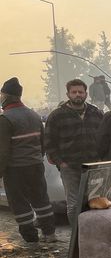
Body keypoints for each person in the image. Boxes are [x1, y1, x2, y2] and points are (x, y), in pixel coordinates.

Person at [0, 77, 57, 243]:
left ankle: (30, 237)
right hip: (35, 165)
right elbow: (43, 143)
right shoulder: (34, 115)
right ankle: (49, 233)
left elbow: (3, 151)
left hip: (15, 168)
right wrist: (36, 158)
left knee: (19, 202)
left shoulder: (5, 119)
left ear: (7, 96)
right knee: (41, 199)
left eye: (1, 94)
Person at [45, 79, 104, 226]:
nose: (78, 95)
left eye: (80, 92)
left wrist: (101, 158)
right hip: (70, 167)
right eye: (74, 92)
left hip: (93, 166)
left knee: (96, 202)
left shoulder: (95, 113)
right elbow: (49, 142)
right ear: (68, 94)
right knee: (73, 204)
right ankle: (76, 239)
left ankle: (95, 233)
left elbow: (104, 137)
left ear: (86, 94)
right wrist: (61, 162)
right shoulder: (57, 115)